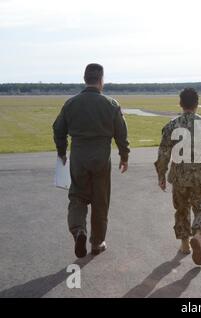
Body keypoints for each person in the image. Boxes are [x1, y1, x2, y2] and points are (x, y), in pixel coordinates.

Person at [52, 63, 130, 258]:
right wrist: (124, 155)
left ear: (85, 79)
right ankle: (97, 243)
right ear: (101, 80)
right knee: (100, 201)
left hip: (78, 156)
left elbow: (58, 129)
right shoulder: (111, 104)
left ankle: (79, 230)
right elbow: (121, 132)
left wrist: (62, 151)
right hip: (101, 158)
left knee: (77, 197)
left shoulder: (71, 103)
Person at [154, 88, 201, 265]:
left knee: (181, 209)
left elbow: (163, 153)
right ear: (197, 104)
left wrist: (161, 175)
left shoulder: (171, 125)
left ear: (180, 103)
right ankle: (199, 236)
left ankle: (185, 245)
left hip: (179, 176)